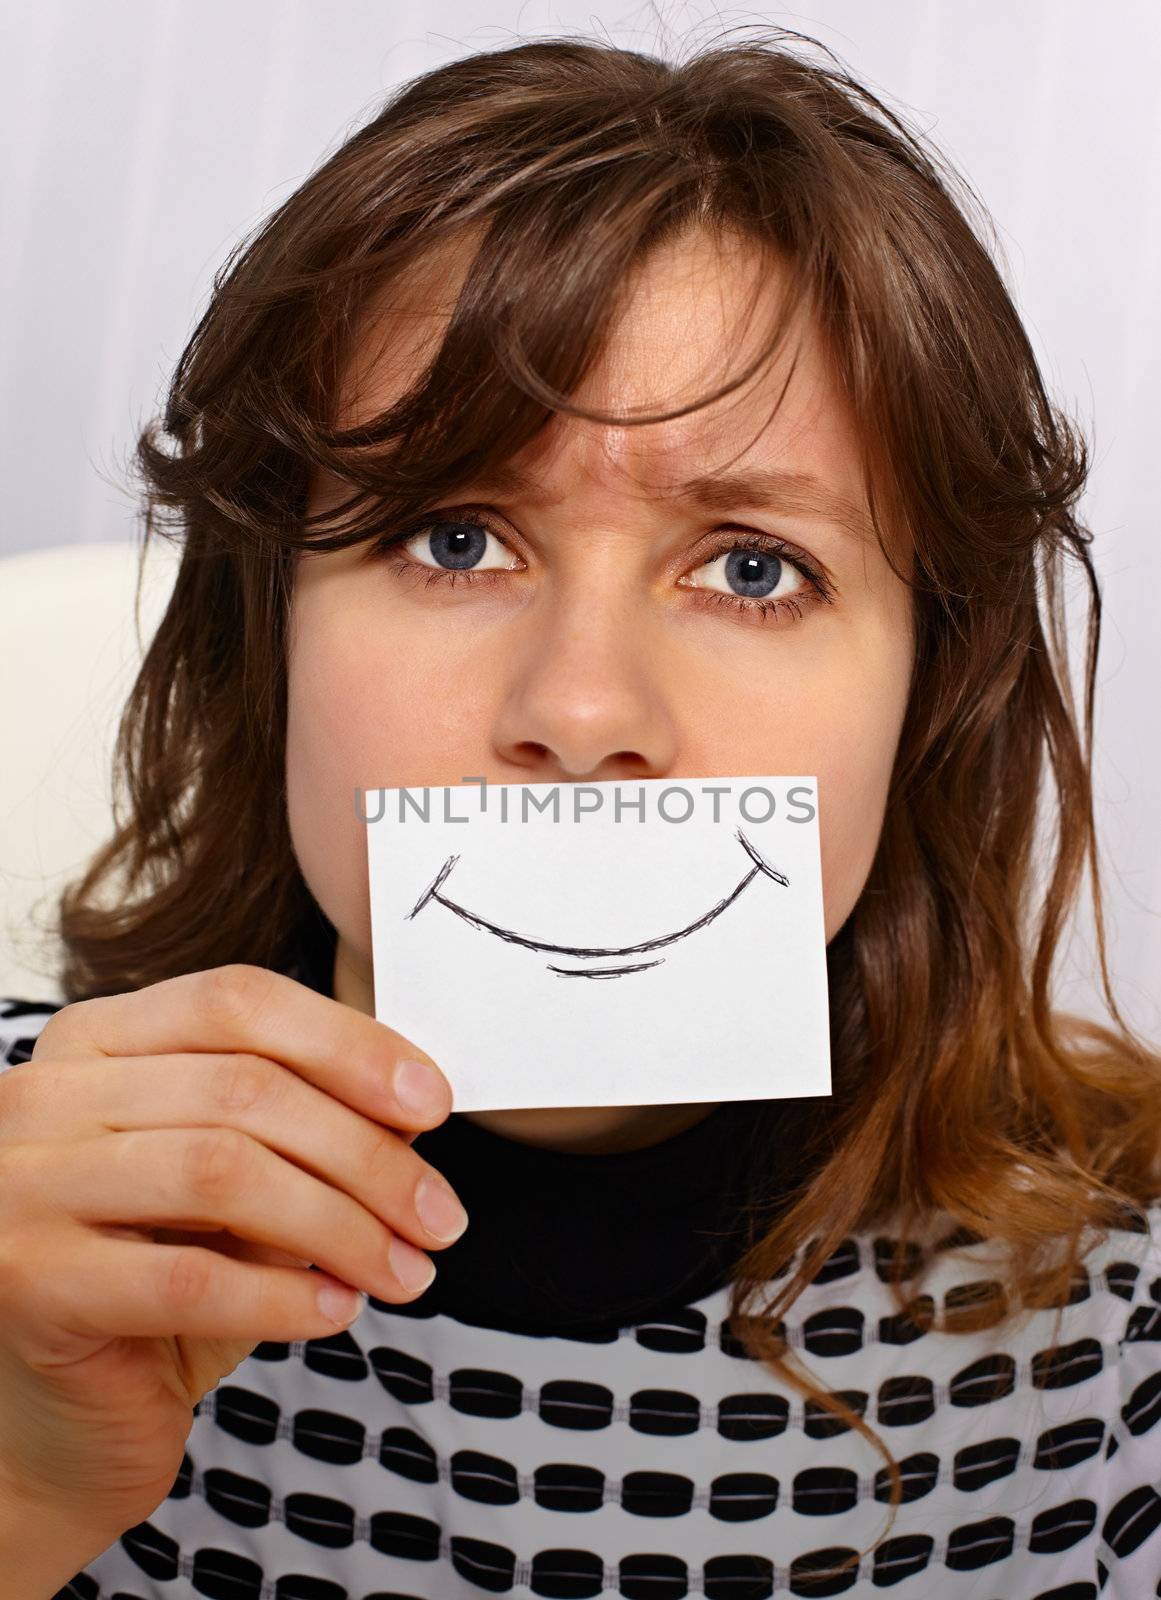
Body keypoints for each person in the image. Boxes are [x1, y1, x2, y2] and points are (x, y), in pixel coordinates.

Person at [1, 26, 1158, 1600]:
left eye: (753, 568)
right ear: (269, 636)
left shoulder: (1125, 1321)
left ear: (923, 701)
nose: (583, 710)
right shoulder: (21, 1207)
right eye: (456, 538)